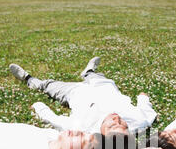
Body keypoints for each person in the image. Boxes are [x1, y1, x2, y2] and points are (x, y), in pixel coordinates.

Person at [9, 57, 157, 135]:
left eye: (112, 125)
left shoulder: (82, 127)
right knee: (96, 76)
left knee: (49, 86)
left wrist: (38, 106)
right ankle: (89, 72)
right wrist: (143, 98)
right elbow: (147, 111)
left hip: (75, 92)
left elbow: (55, 120)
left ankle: (29, 80)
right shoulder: (139, 122)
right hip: (102, 86)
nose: (116, 119)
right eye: (122, 125)